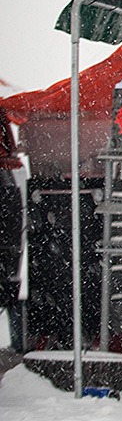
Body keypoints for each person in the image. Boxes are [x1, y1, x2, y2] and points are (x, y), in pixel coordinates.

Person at [0, 108, 25, 351]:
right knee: (9, 278)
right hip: (8, 188)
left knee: (9, 279)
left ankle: (18, 341)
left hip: (8, 187)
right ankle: (18, 341)